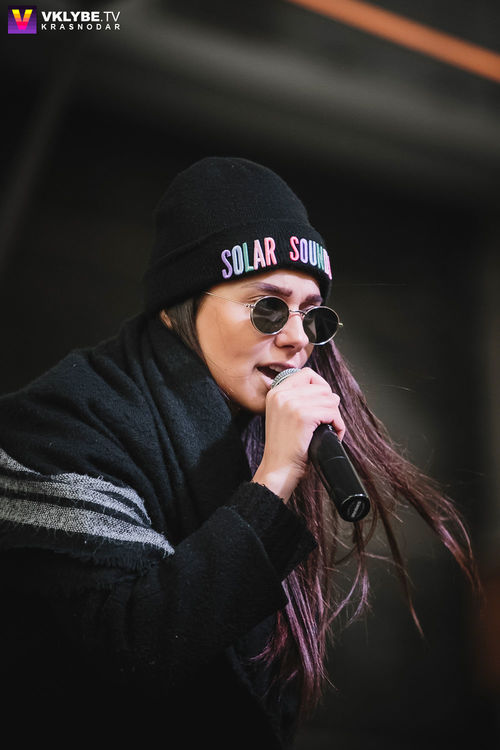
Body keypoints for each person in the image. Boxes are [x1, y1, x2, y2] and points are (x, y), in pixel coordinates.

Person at [0, 157, 479, 748]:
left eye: (313, 314)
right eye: (268, 307)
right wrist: (273, 480)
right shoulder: (65, 422)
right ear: (177, 308)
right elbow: (130, 655)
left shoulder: (247, 430)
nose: (296, 337)